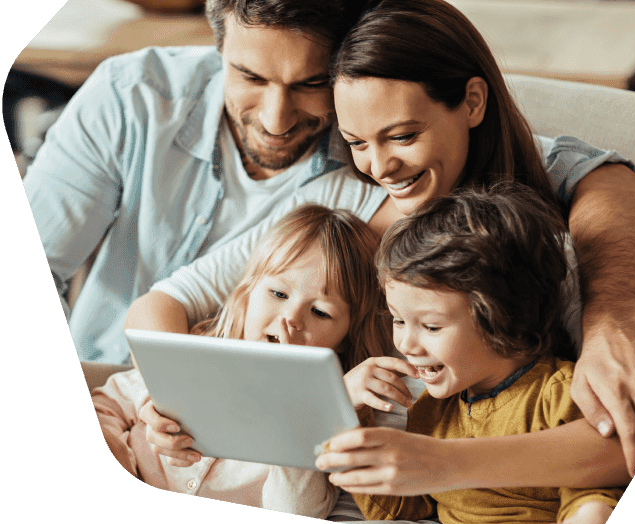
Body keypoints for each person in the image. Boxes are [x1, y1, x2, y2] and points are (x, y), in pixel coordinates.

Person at [129, 0, 635, 479]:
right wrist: (172, 401)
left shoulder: (521, 249)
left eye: (402, 136)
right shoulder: (339, 200)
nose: (380, 166)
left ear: (472, 102)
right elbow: (166, 303)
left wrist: (435, 463)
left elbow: (618, 437)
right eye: (357, 143)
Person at [23, 0, 379, 365]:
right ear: (218, 46)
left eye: (311, 84)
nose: (276, 121)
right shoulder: (131, 95)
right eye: (251, 77)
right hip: (93, 378)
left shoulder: (371, 170)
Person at [340, 182, 623, 524]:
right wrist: (352, 417)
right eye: (397, 320)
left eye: (430, 326)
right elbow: (401, 509)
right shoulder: (433, 409)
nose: (405, 344)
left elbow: (593, 482)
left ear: (502, 318)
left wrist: (589, 516)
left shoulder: (557, 392)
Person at [93, 204, 390, 515]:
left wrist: (295, 404)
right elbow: (106, 405)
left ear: (344, 341)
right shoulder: (193, 359)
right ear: (248, 295)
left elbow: (296, 511)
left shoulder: (326, 425)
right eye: (278, 294)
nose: (291, 318)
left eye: (320, 312)